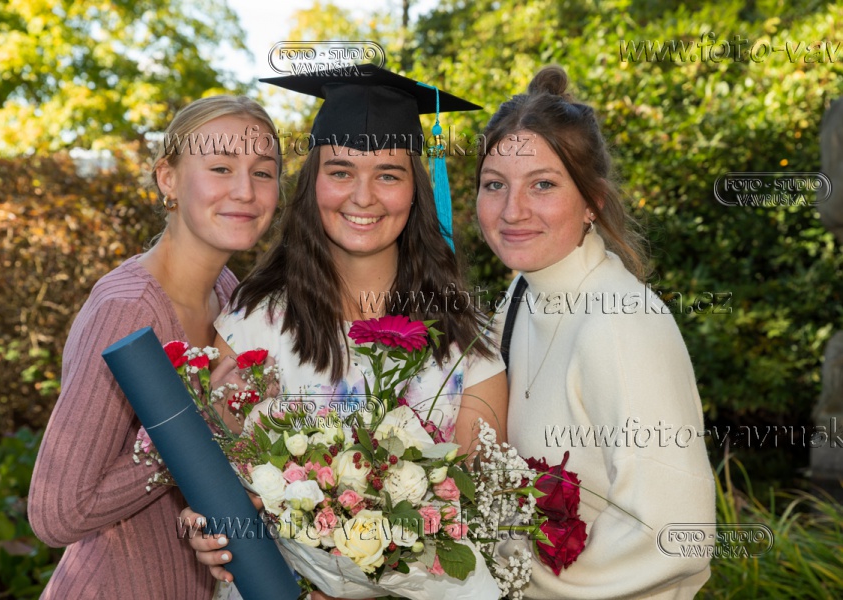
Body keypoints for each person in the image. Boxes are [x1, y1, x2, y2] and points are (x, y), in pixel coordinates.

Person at [184, 65, 509, 593]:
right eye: (340, 171)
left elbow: (476, 519)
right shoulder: (255, 323)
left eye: (388, 174)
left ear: (417, 189)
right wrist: (204, 522)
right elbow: (220, 486)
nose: (363, 197)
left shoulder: (466, 345)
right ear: (312, 184)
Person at [27, 95, 282, 600]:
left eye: (263, 172)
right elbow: (55, 515)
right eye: (221, 167)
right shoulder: (128, 311)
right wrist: (202, 427)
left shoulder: (227, 291)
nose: (245, 190)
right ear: (168, 178)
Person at [478, 65, 716, 598]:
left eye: (543, 184)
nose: (512, 210)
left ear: (592, 202)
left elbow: (676, 536)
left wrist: (505, 574)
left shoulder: (621, 322)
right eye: (495, 185)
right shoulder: (520, 295)